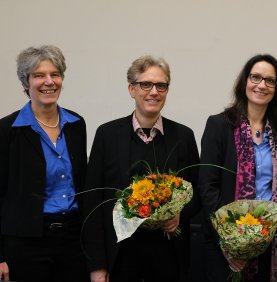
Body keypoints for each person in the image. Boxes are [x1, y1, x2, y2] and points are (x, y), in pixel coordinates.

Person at [83, 55, 200, 282]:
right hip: (120, 256)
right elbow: (93, 203)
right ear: (131, 89)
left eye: (161, 85)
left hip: (169, 255)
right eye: (145, 84)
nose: (153, 92)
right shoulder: (107, 135)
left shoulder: (183, 136)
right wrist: (97, 265)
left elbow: (197, 191)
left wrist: (179, 215)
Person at [198, 54, 277, 281]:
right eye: (256, 77)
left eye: (270, 80)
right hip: (227, 245)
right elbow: (208, 187)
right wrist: (230, 239)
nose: (262, 85)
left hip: (270, 240)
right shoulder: (219, 125)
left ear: (276, 87)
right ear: (245, 81)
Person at [0, 45, 88, 281]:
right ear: (25, 82)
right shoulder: (7, 130)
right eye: (39, 75)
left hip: (73, 240)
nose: (49, 81)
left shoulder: (76, 124)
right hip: (26, 244)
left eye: (55, 74)